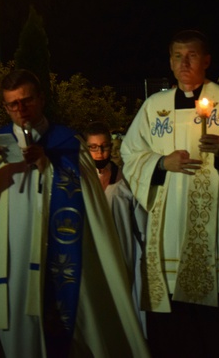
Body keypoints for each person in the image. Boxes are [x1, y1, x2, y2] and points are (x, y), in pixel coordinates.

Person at [0, 69, 149, 358]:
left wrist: (48, 166)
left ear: (41, 99)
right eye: (12, 104)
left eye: (26, 101)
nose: (21, 110)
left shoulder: (66, 144)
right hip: (10, 264)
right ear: (4, 107)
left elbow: (87, 197)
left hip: (57, 261)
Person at [120, 30, 219, 357]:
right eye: (177, 56)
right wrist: (161, 162)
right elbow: (130, 155)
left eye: (191, 55)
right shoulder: (155, 107)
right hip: (170, 237)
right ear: (169, 60)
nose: (184, 63)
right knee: (177, 334)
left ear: (206, 60)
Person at [82, 121, 148, 338]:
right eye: (93, 147)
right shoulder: (79, 183)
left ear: (111, 147)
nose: (100, 152)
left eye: (104, 146)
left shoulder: (125, 180)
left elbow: (140, 220)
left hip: (121, 251)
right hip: (91, 255)